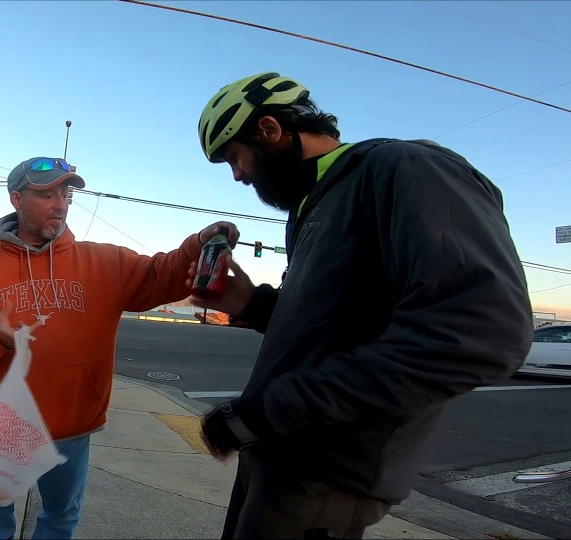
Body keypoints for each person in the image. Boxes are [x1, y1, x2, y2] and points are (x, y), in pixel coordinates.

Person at [189, 72, 533, 539]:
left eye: (234, 156)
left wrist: (273, 411)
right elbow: (339, 325)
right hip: (279, 456)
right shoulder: (314, 204)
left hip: (327, 476)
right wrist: (252, 303)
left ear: (269, 130)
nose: (237, 175)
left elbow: (483, 331)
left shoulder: (404, 169)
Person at [0, 156, 239, 540]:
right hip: (4, 423)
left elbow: (164, 274)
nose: (60, 203)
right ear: (17, 199)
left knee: (61, 515)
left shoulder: (104, 261)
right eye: (46, 194)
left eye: (65, 193)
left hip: (71, 426)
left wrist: (198, 243)